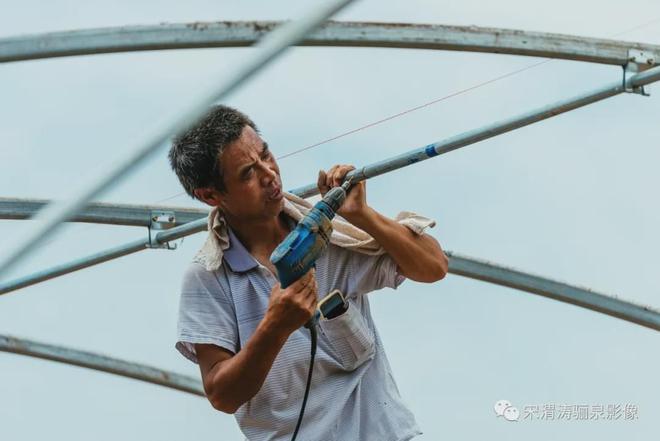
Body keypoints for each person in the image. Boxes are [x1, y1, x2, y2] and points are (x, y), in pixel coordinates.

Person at [169, 105, 448, 441]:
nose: (269, 174)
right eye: (247, 173)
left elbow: (434, 266)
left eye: (265, 154)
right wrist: (275, 327)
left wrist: (363, 216)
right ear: (210, 195)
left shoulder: (327, 230)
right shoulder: (209, 277)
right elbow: (221, 393)